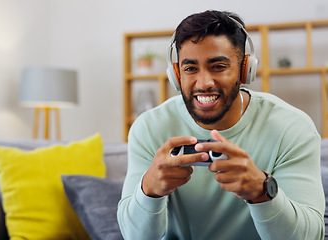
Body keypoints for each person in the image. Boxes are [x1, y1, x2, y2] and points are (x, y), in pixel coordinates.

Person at [117, 10, 325, 240]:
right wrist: (149, 190)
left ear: (244, 69)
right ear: (176, 74)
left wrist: (262, 191)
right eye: (190, 68)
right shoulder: (149, 128)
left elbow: (310, 236)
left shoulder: (292, 127)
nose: (204, 83)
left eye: (218, 66)